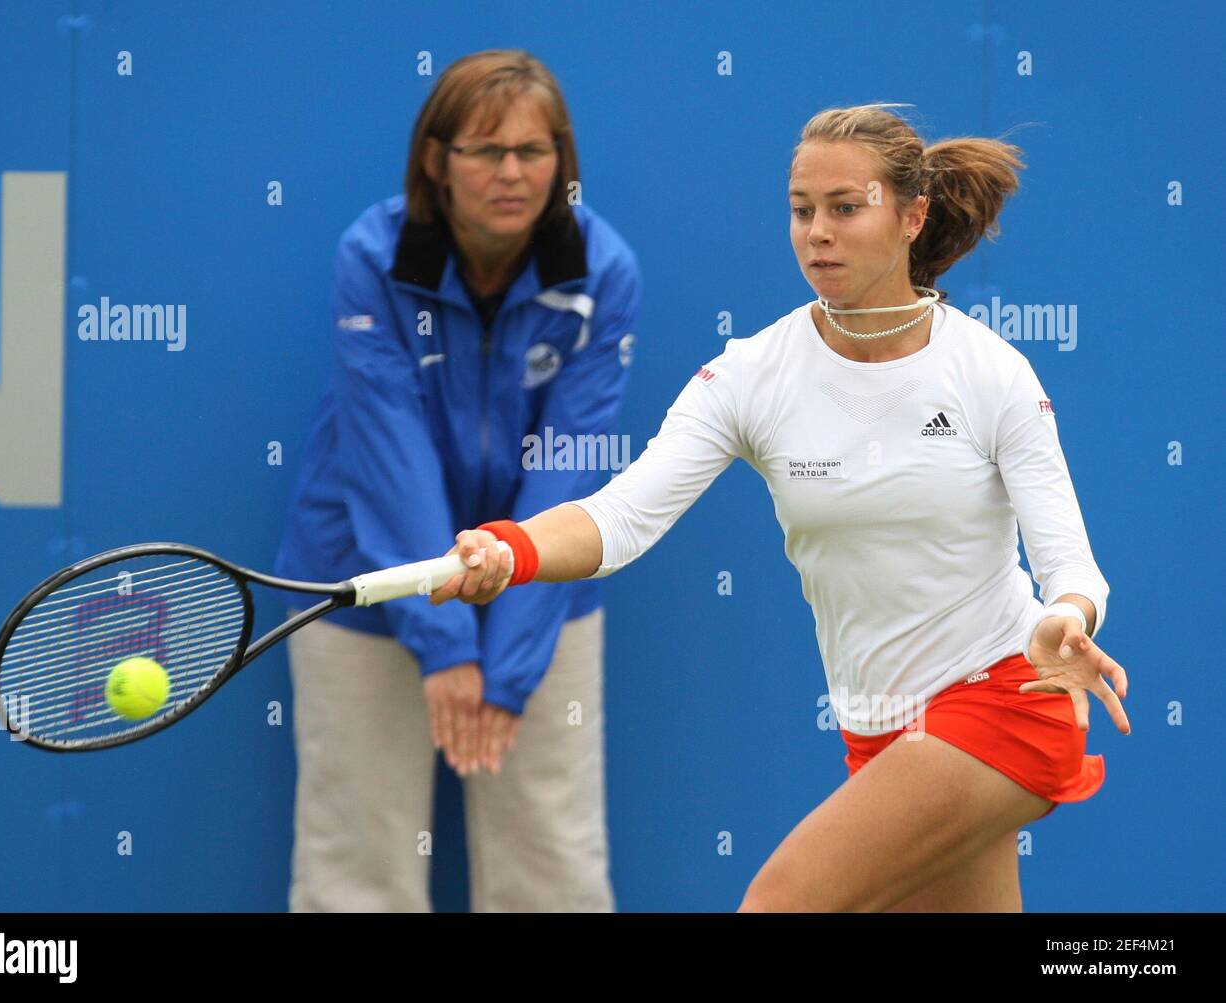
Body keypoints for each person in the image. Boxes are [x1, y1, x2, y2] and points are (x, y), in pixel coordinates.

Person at [429, 102, 1131, 913]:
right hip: (877, 726)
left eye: (845, 207)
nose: (817, 232)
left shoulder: (992, 373)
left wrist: (1066, 614)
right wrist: (510, 550)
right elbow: (620, 517)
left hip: (1007, 693)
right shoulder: (751, 375)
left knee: (779, 904)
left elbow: (1068, 561)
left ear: (913, 216)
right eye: (802, 211)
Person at [273, 49, 640, 912]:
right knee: (356, 865)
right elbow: (385, 449)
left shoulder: (603, 270)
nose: (512, 173)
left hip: (541, 580)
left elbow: (572, 464)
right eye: (485, 151)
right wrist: (444, 645)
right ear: (437, 161)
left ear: (563, 161)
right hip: (364, 573)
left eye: (534, 151)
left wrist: (504, 665)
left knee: (552, 868)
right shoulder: (373, 254)